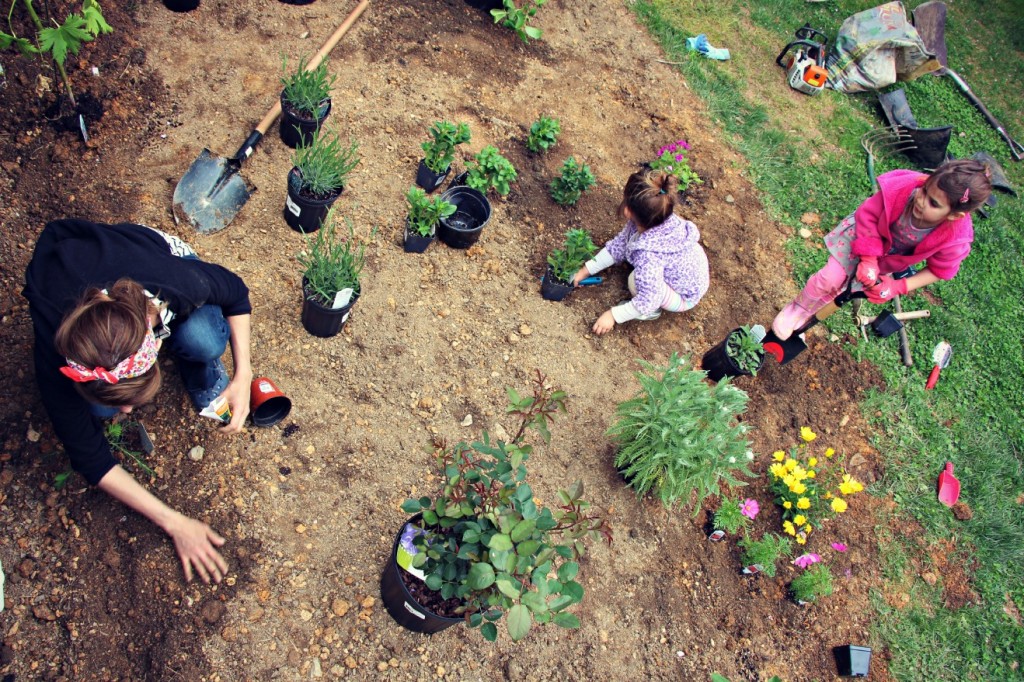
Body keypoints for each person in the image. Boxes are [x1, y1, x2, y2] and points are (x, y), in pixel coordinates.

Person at [22, 218, 254, 584]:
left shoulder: (175, 283)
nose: (127, 412)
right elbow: (91, 459)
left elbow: (236, 293)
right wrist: (174, 522)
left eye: (132, 399)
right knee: (98, 408)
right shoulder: (55, 355)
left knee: (205, 340)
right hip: (71, 268)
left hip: (150, 259)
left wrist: (244, 376)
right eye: (128, 402)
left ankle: (199, 370)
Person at [771, 159, 992, 340]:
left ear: (954, 215)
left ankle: (805, 317)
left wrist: (897, 286)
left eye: (933, 204)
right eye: (924, 190)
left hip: (886, 260)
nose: (921, 200)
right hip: (863, 237)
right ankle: (796, 308)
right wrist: (868, 258)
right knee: (829, 278)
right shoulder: (904, 188)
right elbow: (868, 214)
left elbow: (939, 271)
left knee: (838, 291)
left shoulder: (955, 238)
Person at [571, 169, 710, 336]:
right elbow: (619, 245)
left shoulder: (649, 256)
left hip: (683, 296)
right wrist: (585, 271)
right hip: (690, 271)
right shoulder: (658, 215)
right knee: (640, 272)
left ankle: (651, 313)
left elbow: (649, 298)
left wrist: (613, 315)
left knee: (635, 281)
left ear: (628, 210)